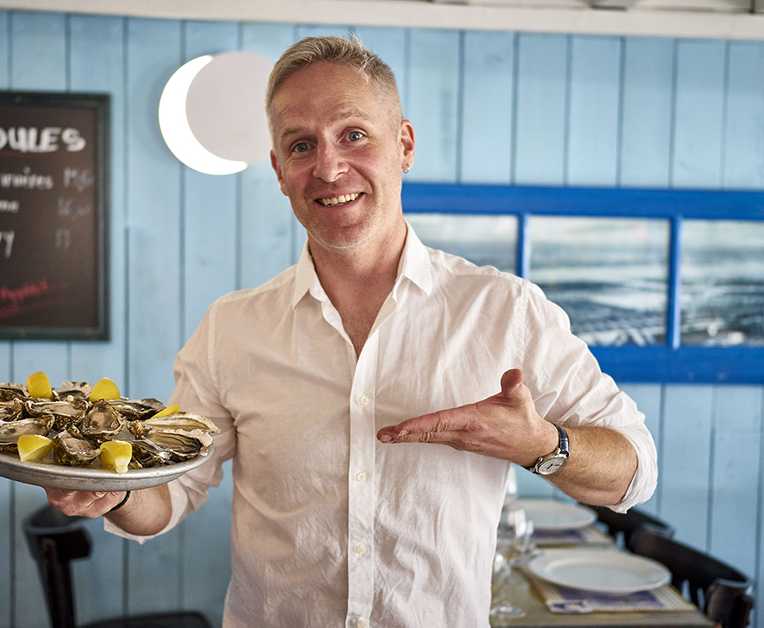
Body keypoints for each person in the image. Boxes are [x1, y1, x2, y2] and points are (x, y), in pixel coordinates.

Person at [46, 35, 658, 626]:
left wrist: (541, 444)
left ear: (405, 145)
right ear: (279, 170)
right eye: (301, 145)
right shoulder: (232, 328)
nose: (330, 167)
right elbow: (170, 494)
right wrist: (114, 492)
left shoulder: (505, 310)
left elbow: (636, 470)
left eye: (354, 135)